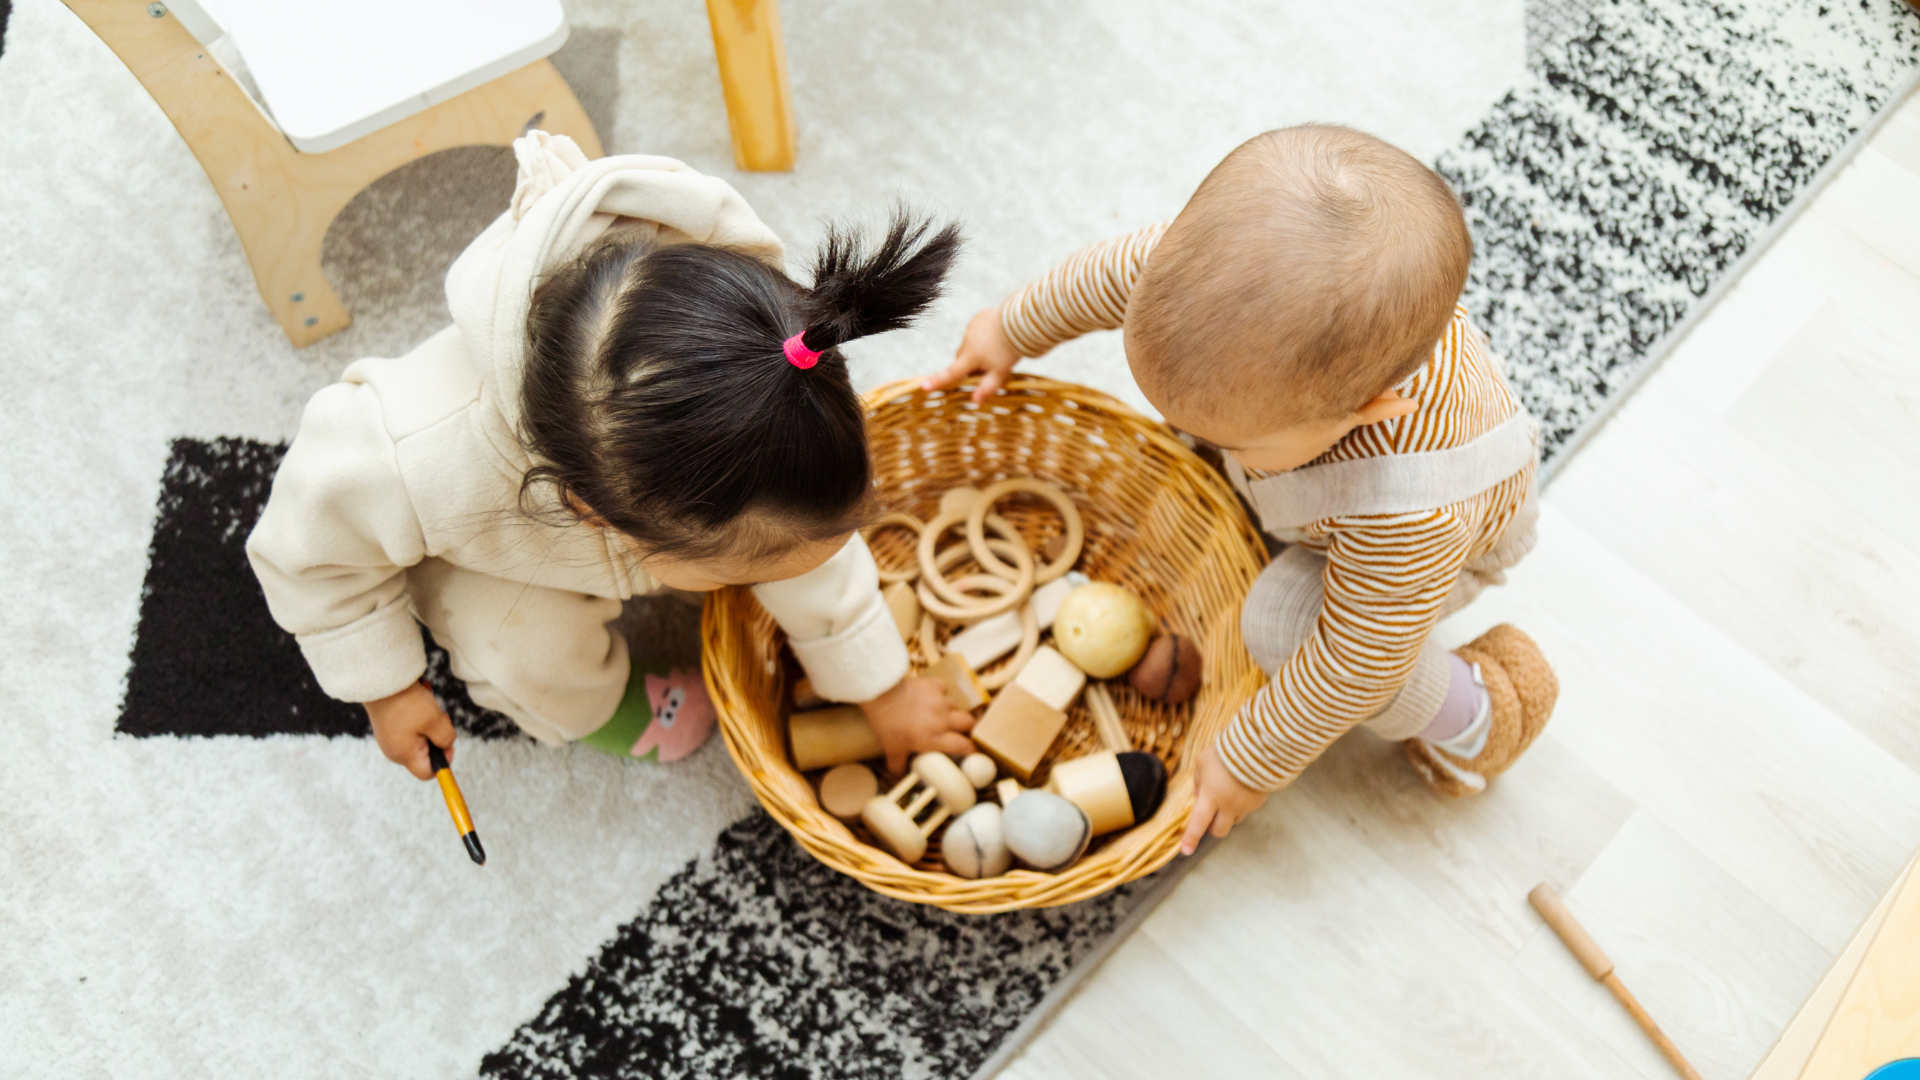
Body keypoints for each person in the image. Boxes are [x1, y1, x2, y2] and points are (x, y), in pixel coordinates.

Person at [248, 133, 973, 782]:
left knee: (789, 532)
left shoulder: (764, 387)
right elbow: (308, 553)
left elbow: (809, 550)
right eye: (736, 573)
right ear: (593, 512)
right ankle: (611, 708)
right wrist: (386, 687)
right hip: (488, 547)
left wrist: (881, 686)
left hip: (655, 496)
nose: (757, 584)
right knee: (519, 648)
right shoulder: (406, 459)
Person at [927, 124, 1559, 854]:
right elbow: (1104, 278)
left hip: (1440, 554)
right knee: (1218, 446)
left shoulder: (1408, 513)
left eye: (1233, 441)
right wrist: (1011, 328)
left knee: (1281, 624)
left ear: (1366, 412)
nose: (1181, 431)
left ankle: (1475, 714)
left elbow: (1356, 664)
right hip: (1323, 493)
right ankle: (1262, 486)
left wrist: (1250, 758)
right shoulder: (1207, 285)